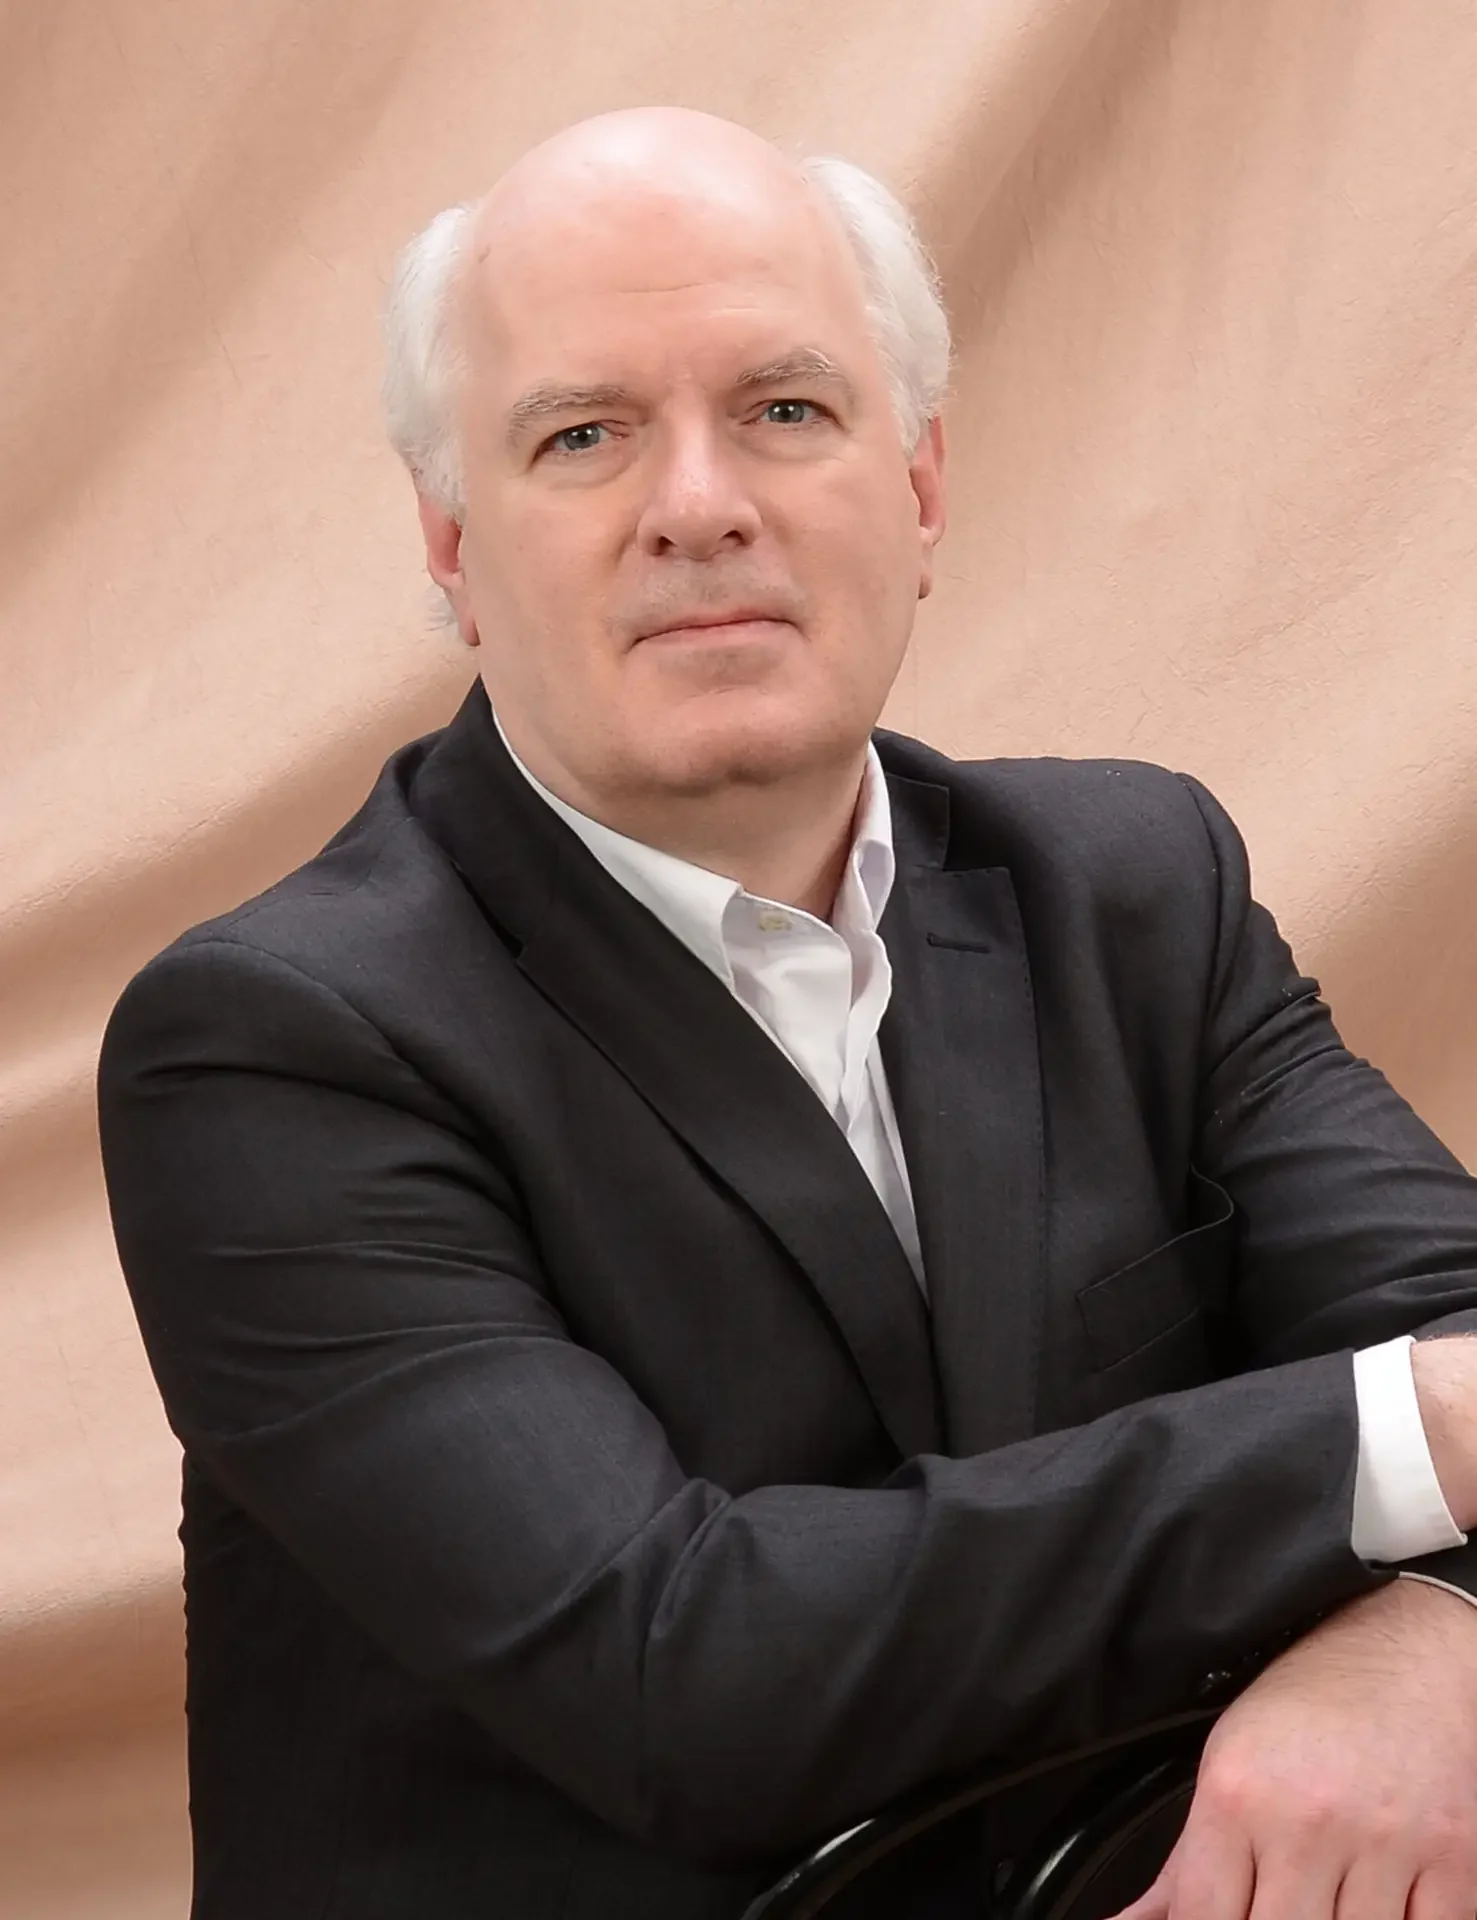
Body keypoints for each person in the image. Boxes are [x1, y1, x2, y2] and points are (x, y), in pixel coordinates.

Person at [97, 106, 1477, 1920]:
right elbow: (684, 1672)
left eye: (786, 410)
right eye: (583, 435)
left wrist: (1435, 1631)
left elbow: (1449, 1324)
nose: (700, 503)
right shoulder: (272, 1044)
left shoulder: (1142, 882)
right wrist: (1403, 1449)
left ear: (916, 490)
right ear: (448, 547)